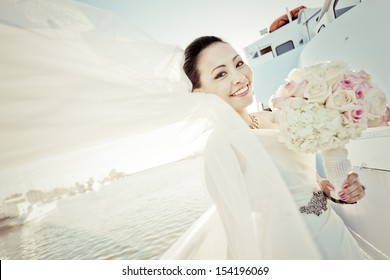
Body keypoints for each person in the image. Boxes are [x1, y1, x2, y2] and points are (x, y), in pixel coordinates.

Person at [183, 35, 368, 259]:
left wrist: (336, 190)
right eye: (221, 74)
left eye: (238, 63)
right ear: (201, 93)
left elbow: (306, 181)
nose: (240, 77)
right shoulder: (221, 145)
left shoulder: (275, 117)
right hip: (292, 250)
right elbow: (238, 228)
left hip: (333, 232)